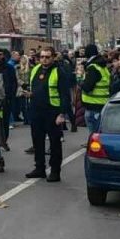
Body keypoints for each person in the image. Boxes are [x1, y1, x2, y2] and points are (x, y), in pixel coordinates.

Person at [25, 48, 73, 182]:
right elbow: (36, 88)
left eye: (47, 57)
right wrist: (30, 94)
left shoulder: (59, 71)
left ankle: (55, 171)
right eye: (42, 57)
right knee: (37, 141)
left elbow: (65, 95)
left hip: (52, 111)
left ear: (53, 58)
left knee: (54, 143)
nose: (44, 59)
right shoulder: (35, 70)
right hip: (36, 111)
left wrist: (62, 114)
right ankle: (39, 168)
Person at [79, 44, 112, 133]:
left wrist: (80, 81)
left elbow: (87, 87)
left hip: (93, 105)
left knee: (94, 135)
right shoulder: (102, 66)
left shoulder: (93, 67)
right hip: (102, 102)